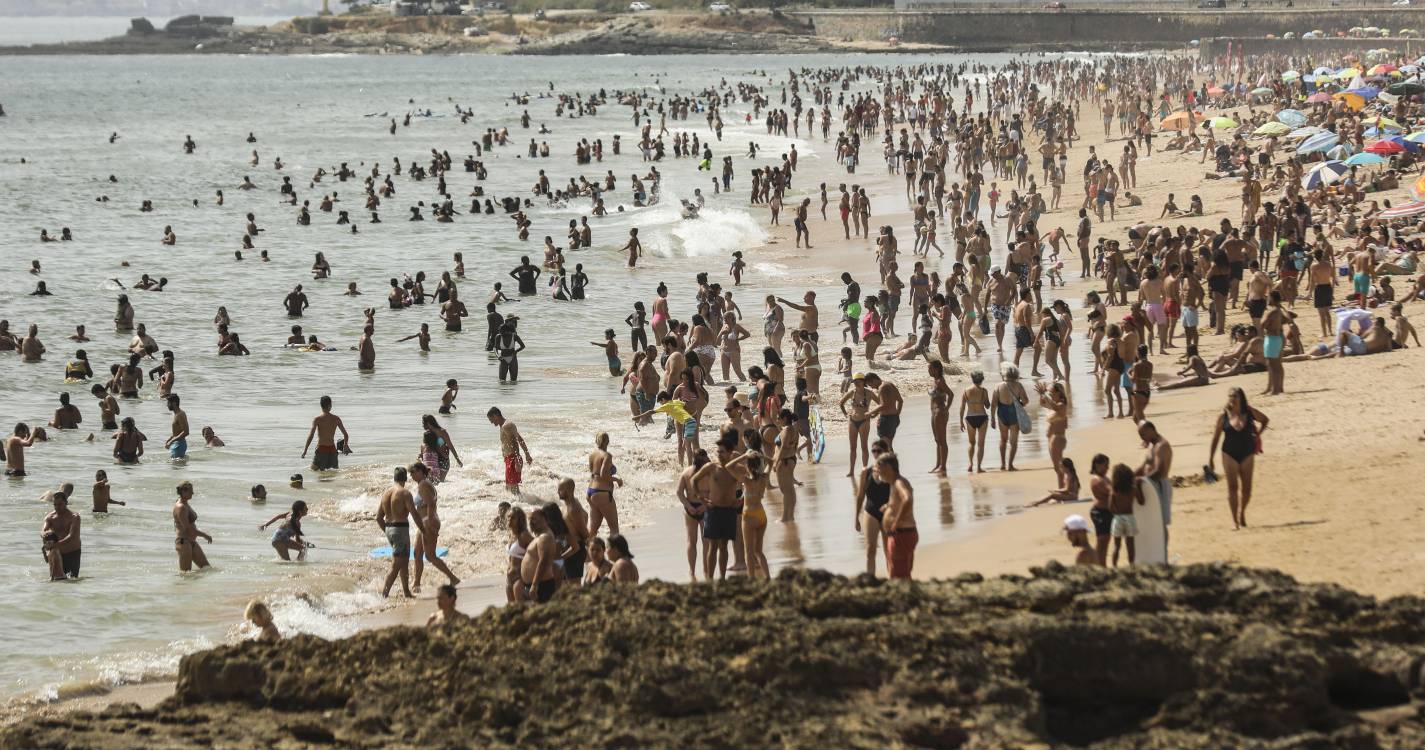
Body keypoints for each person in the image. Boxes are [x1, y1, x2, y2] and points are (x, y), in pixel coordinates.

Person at [1208, 387, 1269, 529]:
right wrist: (1210, 458)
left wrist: (1257, 435)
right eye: (1230, 396)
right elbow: (1216, 438)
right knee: (1232, 487)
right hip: (1229, 453)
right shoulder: (1223, 415)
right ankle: (1235, 520)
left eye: (1235, 396)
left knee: (1247, 490)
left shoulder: (1249, 411)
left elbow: (1265, 420)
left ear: (1241, 397)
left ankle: (1242, 513)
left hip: (1247, 453)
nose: (1232, 399)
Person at [376, 466, 428, 598]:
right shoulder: (405, 493)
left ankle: (406, 592)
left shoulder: (386, 493)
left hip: (389, 529)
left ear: (394, 478)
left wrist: (388, 531)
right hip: (400, 529)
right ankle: (383, 595)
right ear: (405, 478)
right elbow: (414, 514)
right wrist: (423, 530)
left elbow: (378, 517)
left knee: (404, 562)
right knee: (396, 565)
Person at [876, 453, 917, 579]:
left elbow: (907, 499)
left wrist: (897, 521)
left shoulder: (899, 482)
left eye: (879, 467)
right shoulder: (895, 483)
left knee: (899, 576)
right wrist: (888, 506)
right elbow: (899, 501)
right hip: (901, 533)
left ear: (888, 467)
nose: (877, 471)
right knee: (900, 573)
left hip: (901, 533)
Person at [853, 439, 891, 575]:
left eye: (879, 451)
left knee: (889, 550)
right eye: (873, 451)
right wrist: (856, 518)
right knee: (870, 550)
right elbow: (860, 496)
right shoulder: (866, 472)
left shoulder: (891, 471)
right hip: (870, 512)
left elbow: (897, 492)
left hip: (887, 513)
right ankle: (871, 578)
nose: (876, 454)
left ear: (886, 451)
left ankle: (892, 577)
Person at [990, 365, 1029, 471]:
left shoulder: (998, 386)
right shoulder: (1019, 385)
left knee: (1003, 439)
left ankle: (1003, 464)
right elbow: (1025, 400)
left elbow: (993, 404)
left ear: (1004, 374)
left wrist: (992, 418)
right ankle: (1010, 465)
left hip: (1002, 413)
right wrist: (1020, 404)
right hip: (1014, 413)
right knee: (1013, 442)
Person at [489, 407, 532, 493]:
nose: (491, 422)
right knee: (509, 488)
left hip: (512, 459)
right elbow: (520, 439)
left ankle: (522, 501)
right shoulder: (506, 425)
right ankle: (522, 501)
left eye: (491, 419)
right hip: (510, 459)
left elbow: (514, 443)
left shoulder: (506, 426)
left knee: (513, 489)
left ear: (496, 415)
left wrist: (517, 459)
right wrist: (527, 454)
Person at [301, 395, 350, 471]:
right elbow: (346, 435)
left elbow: (311, 435)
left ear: (321, 406)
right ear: (330, 405)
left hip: (321, 449)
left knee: (312, 471)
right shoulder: (336, 419)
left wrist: (305, 450)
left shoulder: (317, 419)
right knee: (332, 473)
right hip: (333, 450)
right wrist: (345, 445)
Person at [41, 490, 82, 580]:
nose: (57, 507)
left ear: (66, 503)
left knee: (72, 580)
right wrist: (46, 546)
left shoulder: (74, 517)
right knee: (56, 580)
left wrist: (55, 545)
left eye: (60, 504)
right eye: (55, 505)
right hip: (57, 553)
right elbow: (43, 531)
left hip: (72, 553)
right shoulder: (50, 517)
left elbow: (72, 536)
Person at [172, 481, 212, 572]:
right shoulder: (180, 507)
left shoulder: (185, 504)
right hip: (184, 543)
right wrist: (205, 535)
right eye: (190, 491)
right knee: (186, 574)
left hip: (192, 542)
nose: (193, 493)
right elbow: (188, 529)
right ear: (183, 491)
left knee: (207, 569)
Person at [1107, 463, 1142, 567]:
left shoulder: (1114, 491)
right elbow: (1141, 501)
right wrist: (1138, 487)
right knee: (1130, 546)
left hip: (1117, 519)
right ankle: (1131, 566)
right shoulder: (1133, 489)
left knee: (1116, 546)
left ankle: (1114, 566)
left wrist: (1117, 512)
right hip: (1130, 518)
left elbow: (1110, 507)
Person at [164, 394, 189, 459]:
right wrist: (169, 439)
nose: (167, 405)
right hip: (177, 444)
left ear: (174, 403)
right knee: (175, 464)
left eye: (168, 403)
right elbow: (177, 432)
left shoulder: (180, 414)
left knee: (176, 464)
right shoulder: (177, 414)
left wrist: (171, 441)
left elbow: (186, 432)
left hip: (179, 444)